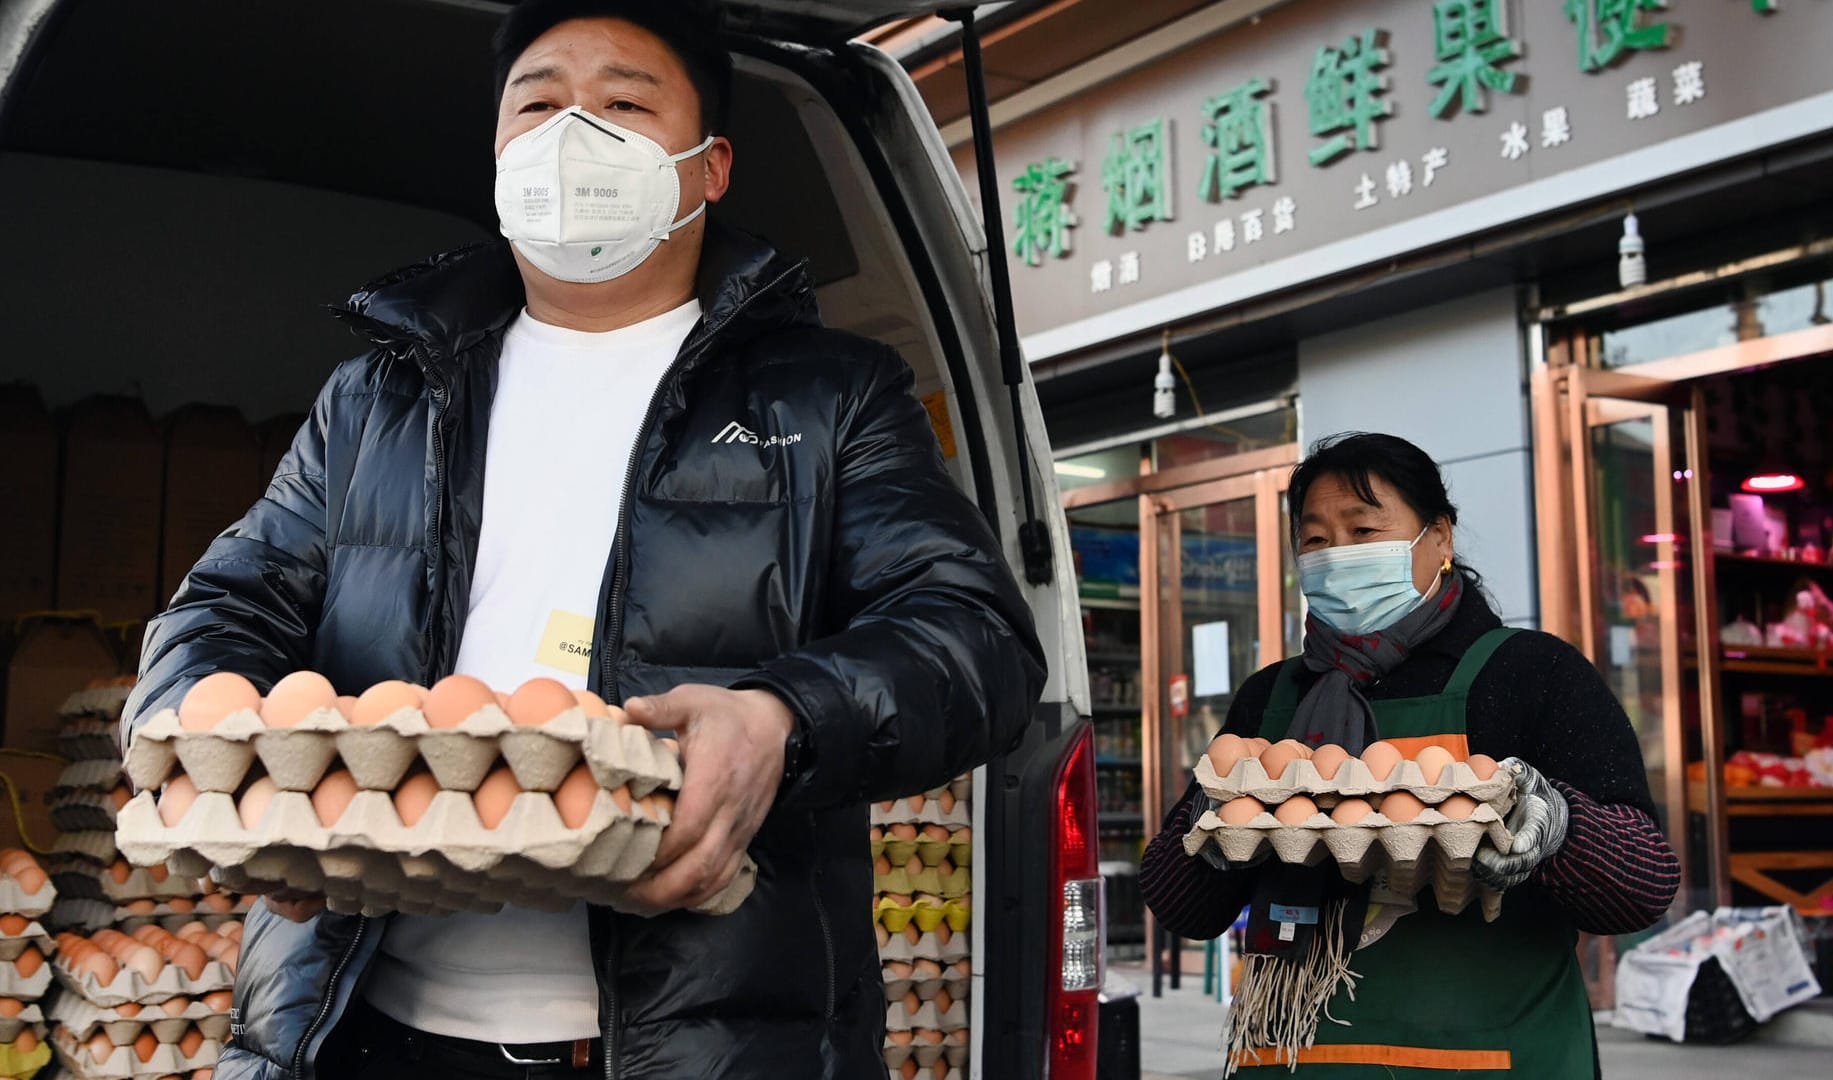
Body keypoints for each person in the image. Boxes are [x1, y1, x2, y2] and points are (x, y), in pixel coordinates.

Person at [122, 2, 1045, 1077]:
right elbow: (221, 607)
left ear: (710, 167)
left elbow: (976, 638)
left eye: (622, 104)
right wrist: (240, 765)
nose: (574, 136)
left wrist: (786, 717)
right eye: (541, 102)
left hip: (687, 1043)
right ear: (501, 153)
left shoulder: (827, 401)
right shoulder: (380, 398)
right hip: (358, 1027)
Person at [1140, 432, 1678, 1079]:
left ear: (1440, 539)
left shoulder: (1530, 674)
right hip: (1291, 1062)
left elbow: (1642, 887)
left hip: (1489, 1059)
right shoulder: (1271, 698)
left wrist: (1557, 826)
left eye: (1364, 530)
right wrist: (1218, 817)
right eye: (1315, 539)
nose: (1337, 555)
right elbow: (1180, 908)